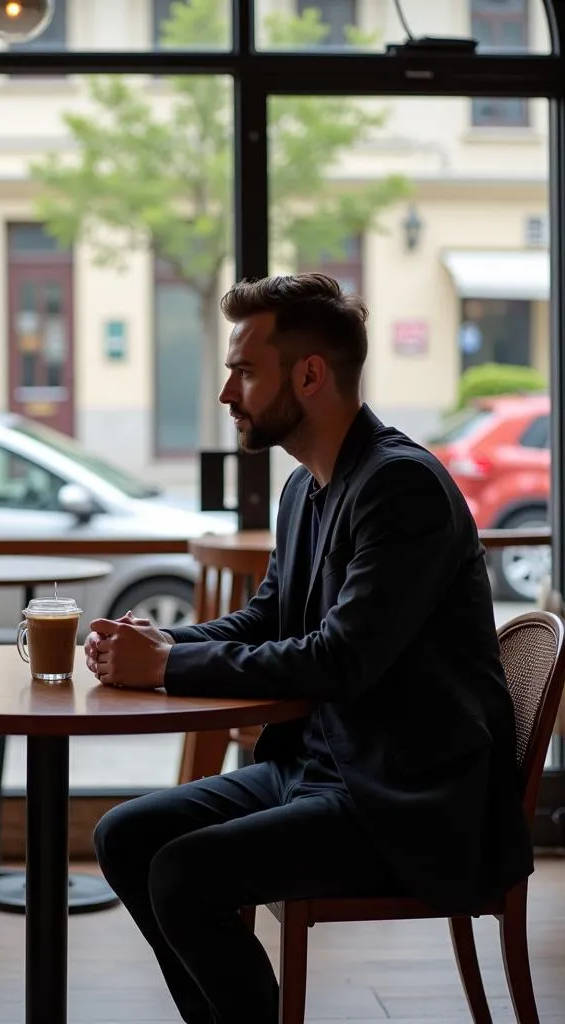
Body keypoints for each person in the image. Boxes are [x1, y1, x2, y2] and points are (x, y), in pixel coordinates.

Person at [85, 273, 533, 1024]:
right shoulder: (305, 488)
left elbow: (338, 659)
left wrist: (165, 668)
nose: (228, 393)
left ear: (311, 375)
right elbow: (267, 619)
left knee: (184, 874)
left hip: (406, 801)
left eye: (245, 371)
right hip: (317, 772)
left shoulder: (402, 488)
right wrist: (161, 642)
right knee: (126, 836)